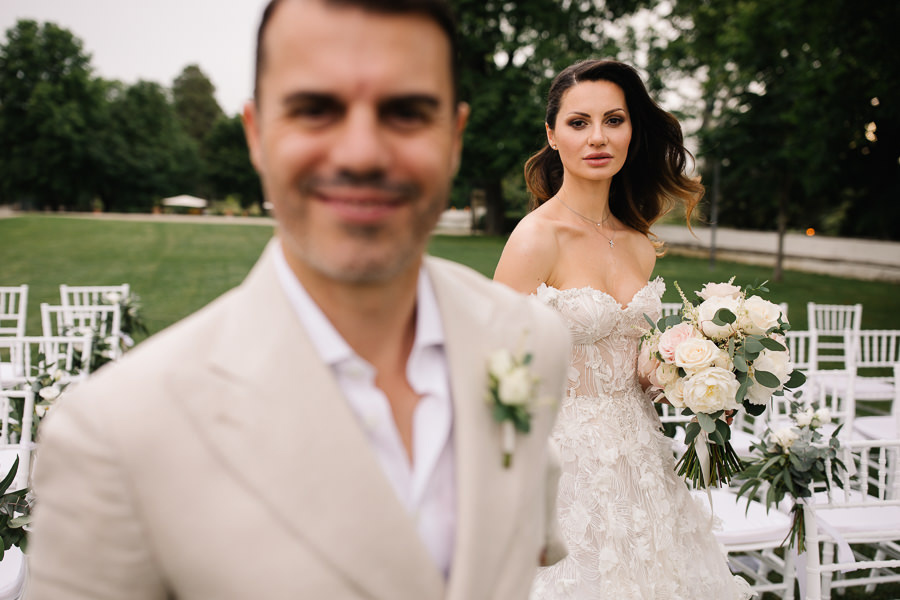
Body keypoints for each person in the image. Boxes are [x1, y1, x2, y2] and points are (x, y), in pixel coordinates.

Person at [26, 1, 572, 598]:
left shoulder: (530, 341)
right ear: (257, 135)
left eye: (406, 112)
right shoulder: (116, 434)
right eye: (315, 110)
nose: (361, 154)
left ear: (454, 137)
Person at [494, 59, 754, 599]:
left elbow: (629, 361)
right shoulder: (535, 238)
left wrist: (688, 370)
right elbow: (495, 374)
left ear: (632, 131)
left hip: (642, 460)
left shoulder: (638, 242)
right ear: (552, 134)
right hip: (561, 466)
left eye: (614, 120)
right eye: (578, 122)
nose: (598, 137)